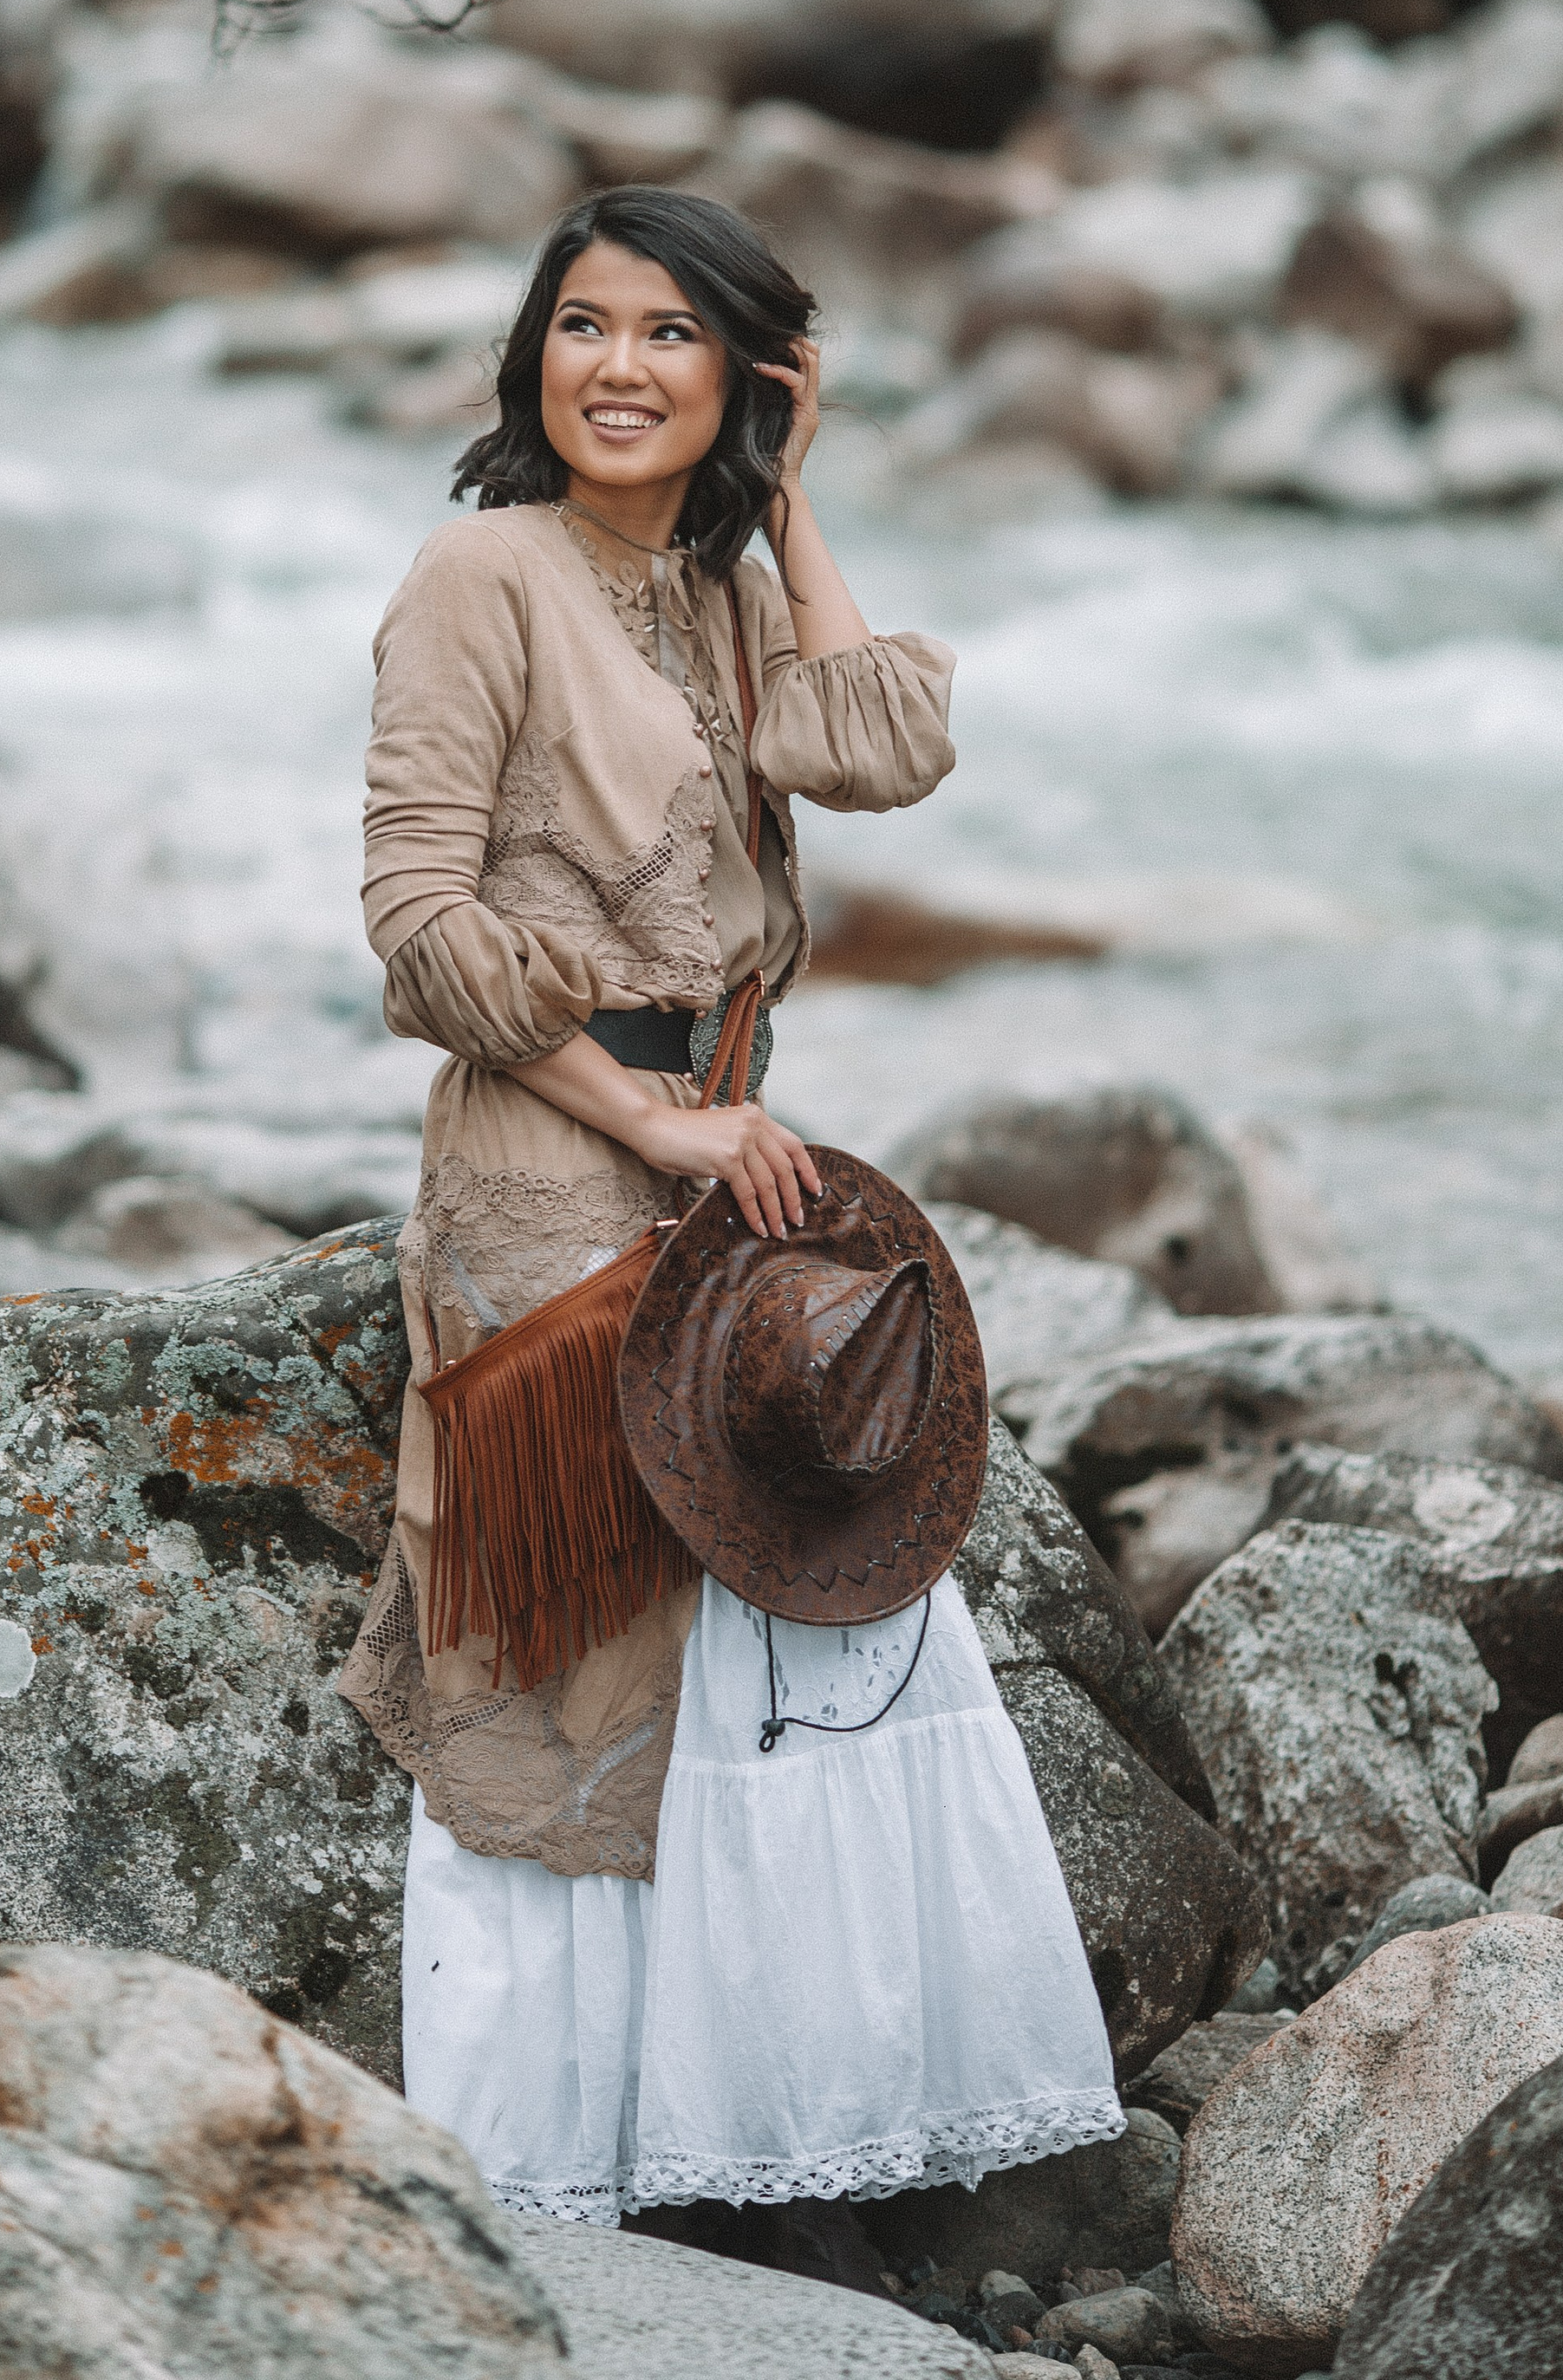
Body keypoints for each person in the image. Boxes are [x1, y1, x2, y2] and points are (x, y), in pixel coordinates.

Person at [336, 185, 1119, 2269]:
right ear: (529, 359)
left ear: (737, 377)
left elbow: (885, 751)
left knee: (813, 1599)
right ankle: (562, 2169)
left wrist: (786, 509)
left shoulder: (716, 583)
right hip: (551, 1172)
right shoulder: (475, 573)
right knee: (591, 1677)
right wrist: (648, 1123)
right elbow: (416, 927)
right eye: (578, 326)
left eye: (670, 336)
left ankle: (797, 2135)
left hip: (724, 1144)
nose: (613, 367)